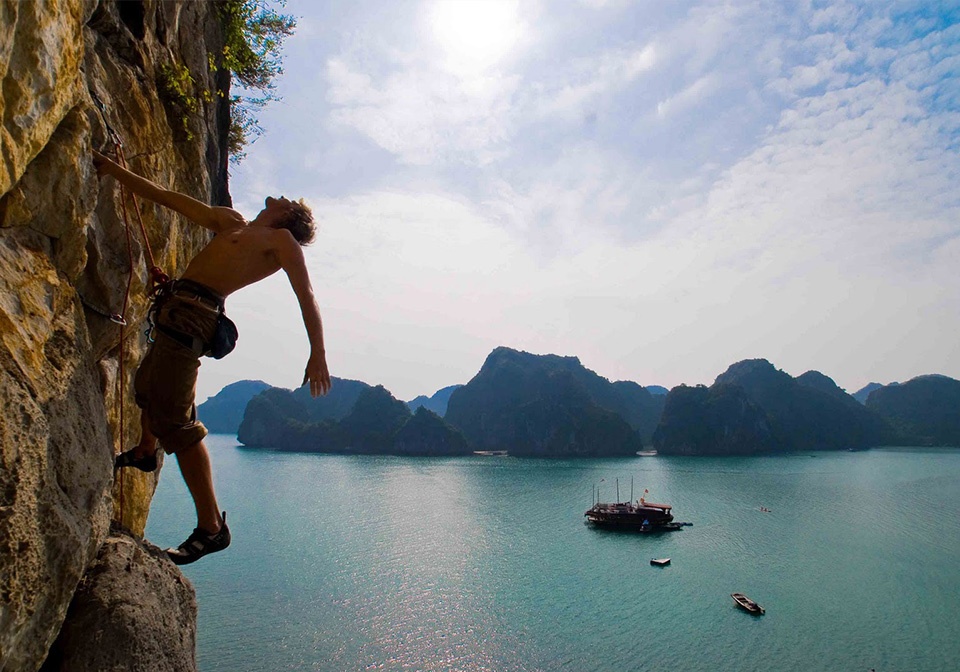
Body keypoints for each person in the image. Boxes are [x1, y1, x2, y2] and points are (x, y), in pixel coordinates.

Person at [93, 149, 331, 564]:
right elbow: (167, 197)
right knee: (146, 387)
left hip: (196, 318)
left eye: (287, 201)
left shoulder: (281, 241)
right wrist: (112, 168)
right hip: (176, 309)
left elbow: (306, 295)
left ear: (287, 216)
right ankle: (147, 450)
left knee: (178, 422)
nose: (278, 196)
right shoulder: (230, 222)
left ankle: (211, 527)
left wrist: (318, 353)